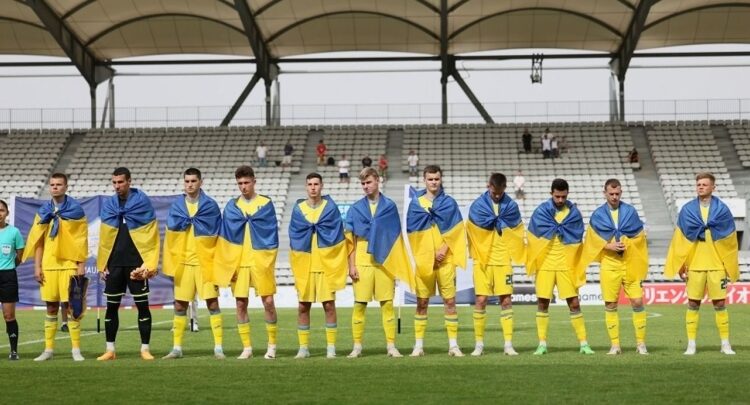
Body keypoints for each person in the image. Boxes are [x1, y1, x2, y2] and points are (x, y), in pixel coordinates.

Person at [665, 172, 738, 355]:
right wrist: (681, 263)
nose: (701, 187)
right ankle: (691, 344)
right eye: (698, 184)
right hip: (695, 265)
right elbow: (680, 239)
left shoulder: (722, 210)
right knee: (693, 304)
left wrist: (728, 264)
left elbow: (730, 240)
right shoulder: (688, 210)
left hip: (717, 265)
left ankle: (725, 344)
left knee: (720, 304)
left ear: (713, 187)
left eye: (705, 184)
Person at [346, 167, 414, 358]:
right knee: (359, 304)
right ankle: (357, 347)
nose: (365, 186)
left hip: (384, 261)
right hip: (362, 261)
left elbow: (395, 237)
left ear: (377, 180)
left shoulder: (389, 206)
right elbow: (350, 240)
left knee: (387, 304)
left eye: (368, 182)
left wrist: (397, 264)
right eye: (363, 183)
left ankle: (391, 346)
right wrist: (351, 265)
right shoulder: (355, 208)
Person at [214, 165, 279, 360]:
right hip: (240, 262)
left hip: (260, 260)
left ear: (254, 182)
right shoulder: (232, 206)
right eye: (240, 183)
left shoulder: (266, 204)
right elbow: (225, 236)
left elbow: (272, 234)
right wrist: (228, 263)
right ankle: (247, 348)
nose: (243, 186)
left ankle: (272, 346)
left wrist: (268, 260)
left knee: (268, 302)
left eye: (246, 182)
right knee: (240, 304)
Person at [579, 179, 649, 355]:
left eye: (617, 194)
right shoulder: (597, 215)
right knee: (610, 304)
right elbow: (591, 241)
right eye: (611, 194)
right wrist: (607, 246)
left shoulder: (630, 211)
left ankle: (641, 344)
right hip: (609, 264)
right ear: (605, 193)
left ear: (621, 193)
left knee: (637, 301)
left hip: (630, 262)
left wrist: (629, 243)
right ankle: (615, 345)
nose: (614, 197)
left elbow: (640, 235)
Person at [96, 167, 160, 361]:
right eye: (114, 182)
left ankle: (145, 349)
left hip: (136, 264)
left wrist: (148, 263)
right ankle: (110, 350)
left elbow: (151, 235)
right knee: (111, 307)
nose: (117, 186)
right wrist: (103, 263)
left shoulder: (142, 202)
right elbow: (104, 237)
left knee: (142, 306)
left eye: (120, 182)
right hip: (114, 264)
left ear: (129, 181)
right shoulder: (109, 205)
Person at [162, 168, 225, 360]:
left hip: (206, 263)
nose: (190, 184)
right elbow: (170, 235)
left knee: (212, 304)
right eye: (187, 181)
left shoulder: (210, 206)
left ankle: (218, 348)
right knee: (180, 305)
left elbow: (219, 235)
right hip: (183, 263)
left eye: (193, 181)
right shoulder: (177, 206)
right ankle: (177, 348)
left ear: (200, 182)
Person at [24, 173, 87, 362]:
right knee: (51, 307)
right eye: (52, 184)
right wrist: (37, 266)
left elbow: (81, 241)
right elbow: (38, 242)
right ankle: (48, 350)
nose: (55, 187)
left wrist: (81, 265)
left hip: (69, 265)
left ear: (66, 187)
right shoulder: (43, 211)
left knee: (72, 307)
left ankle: (76, 350)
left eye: (59, 184)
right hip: (48, 265)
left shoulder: (76, 211)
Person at [526, 178, 593, 355]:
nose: (560, 200)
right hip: (545, 264)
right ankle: (542, 344)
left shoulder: (574, 213)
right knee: (543, 303)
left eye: (563, 196)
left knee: (574, 303)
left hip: (566, 265)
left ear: (567, 194)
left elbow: (578, 237)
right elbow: (532, 235)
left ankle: (584, 344)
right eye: (557, 196)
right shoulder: (541, 211)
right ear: (551, 194)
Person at [406, 165, 467, 357]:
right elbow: (412, 233)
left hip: (446, 260)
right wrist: (426, 255)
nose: (433, 182)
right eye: (430, 179)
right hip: (424, 262)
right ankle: (418, 346)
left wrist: (443, 249)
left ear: (441, 180)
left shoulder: (449, 203)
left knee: (450, 302)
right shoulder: (416, 204)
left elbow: (457, 230)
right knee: (421, 303)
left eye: (436, 179)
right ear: (424, 180)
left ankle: (453, 346)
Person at [288, 173, 348, 359]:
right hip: (305, 264)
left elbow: (338, 234)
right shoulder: (298, 209)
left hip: (325, 264)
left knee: (329, 305)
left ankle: (331, 348)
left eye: (316, 184)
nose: (313, 187)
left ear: (322, 186)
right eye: (310, 184)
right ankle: (303, 348)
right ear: (306, 187)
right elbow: (294, 234)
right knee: (302, 306)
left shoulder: (330, 208)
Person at [465, 173, 525, 356]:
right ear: (488, 186)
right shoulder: (478, 206)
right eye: (494, 192)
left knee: (506, 300)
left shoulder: (511, 206)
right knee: (481, 300)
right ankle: (479, 345)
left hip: (503, 260)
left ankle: (508, 344)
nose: (497, 195)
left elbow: (517, 231)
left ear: (505, 188)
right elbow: (471, 231)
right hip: (483, 260)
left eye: (500, 192)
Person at [0, 200, 25, 360]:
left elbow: (20, 256)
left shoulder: (14, 232)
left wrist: (9, 266)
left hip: (7, 277)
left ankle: (14, 351)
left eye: (1, 210)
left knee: (9, 316)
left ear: (7, 213)